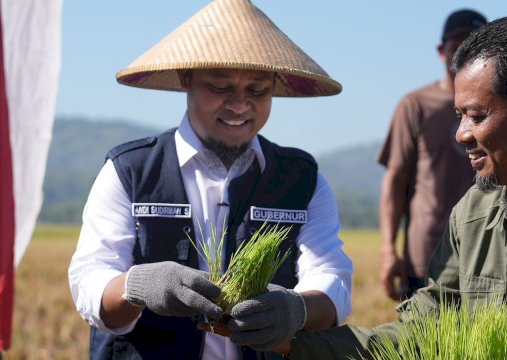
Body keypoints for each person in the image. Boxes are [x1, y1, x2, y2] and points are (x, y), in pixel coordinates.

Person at [279, 16, 507, 359]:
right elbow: (422, 335)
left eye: (477, 116)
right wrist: (290, 343)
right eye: (459, 116)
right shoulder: (472, 216)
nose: (461, 134)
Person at [67, 0, 353, 359]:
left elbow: (332, 280)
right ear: (187, 78)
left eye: (257, 90)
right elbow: (90, 284)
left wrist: (298, 309)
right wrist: (137, 286)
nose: (239, 105)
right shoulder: (131, 171)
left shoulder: (301, 180)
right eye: (220, 87)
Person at [377, 9, 485, 300]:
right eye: (456, 47)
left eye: (475, 47)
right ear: (441, 51)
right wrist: (388, 250)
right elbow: (395, 182)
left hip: (486, 258)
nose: (465, 56)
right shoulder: (417, 106)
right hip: (426, 257)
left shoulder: (500, 110)